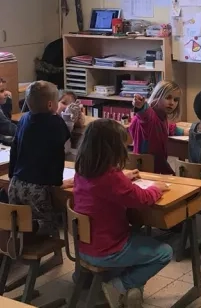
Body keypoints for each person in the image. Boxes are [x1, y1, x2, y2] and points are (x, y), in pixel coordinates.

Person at [73, 119, 172, 308]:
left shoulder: (82, 171)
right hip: (107, 249)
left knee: (137, 235)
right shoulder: (112, 178)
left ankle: (128, 290)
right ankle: (118, 286)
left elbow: (105, 187)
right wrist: (156, 188)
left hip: (83, 247)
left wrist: (124, 178)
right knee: (164, 252)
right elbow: (142, 198)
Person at [8, 81, 72, 236]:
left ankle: (21, 239)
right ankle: (40, 236)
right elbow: (59, 152)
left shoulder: (23, 119)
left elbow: (14, 148)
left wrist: (11, 175)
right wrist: (57, 183)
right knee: (49, 224)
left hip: (16, 183)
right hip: (37, 188)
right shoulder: (56, 123)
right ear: (50, 104)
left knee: (20, 220)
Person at [129, 80, 184, 175]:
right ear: (157, 96)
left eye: (176, 100)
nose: (172, 103)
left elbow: (166, 127)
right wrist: (141, 106)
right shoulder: (150, 115)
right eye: (168, 98)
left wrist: (185, 131)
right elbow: (144, 115)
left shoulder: (161, 115)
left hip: (158, 165)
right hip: (146, 167)